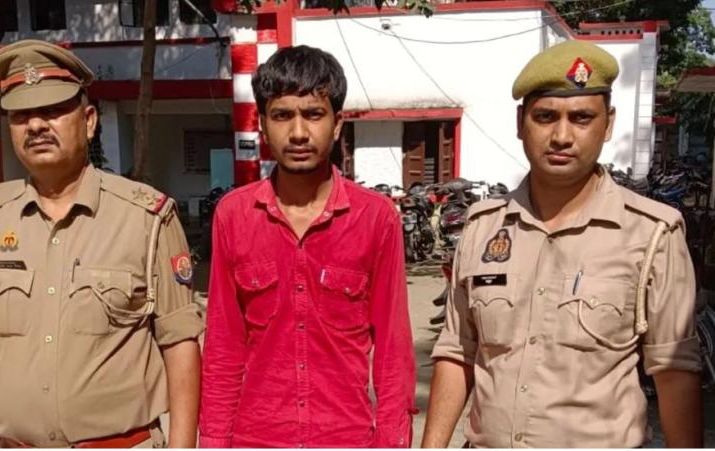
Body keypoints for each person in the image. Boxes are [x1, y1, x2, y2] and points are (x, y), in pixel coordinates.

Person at [421, 40, 702, 448]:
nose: (562, 136)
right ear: (521, 123)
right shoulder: (482, 227)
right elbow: (457, 351)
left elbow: (674, 371)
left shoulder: (652, 233)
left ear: (608, 124)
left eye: (582, 117)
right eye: (545, 117)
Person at [0, 39, 204, 448]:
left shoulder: (147, 218)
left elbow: (179, 343)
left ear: (88, 121)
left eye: (52, 111)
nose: (36, 126)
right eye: (21, 115)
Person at [198, 45, 416, 448]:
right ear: (263, 125)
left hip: (346, 439)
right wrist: (213, 442)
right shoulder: (234, 215)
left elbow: (393, 353)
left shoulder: (375, 217)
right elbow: (223, 350)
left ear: (337, 124)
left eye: (313, 114)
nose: (298, 133)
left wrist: (393, 443)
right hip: (255, 440)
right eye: (282, 115)